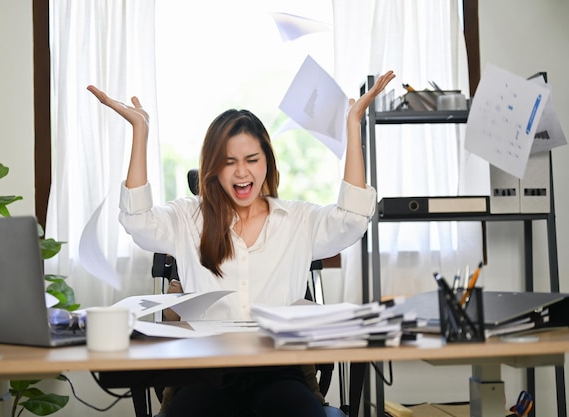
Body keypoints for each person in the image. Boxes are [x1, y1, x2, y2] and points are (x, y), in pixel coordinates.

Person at [87, 70, 395, 417]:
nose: (241, 173)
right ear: (212, 168)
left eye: (252, 160)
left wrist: (353, 125)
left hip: (280, 372)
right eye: (228, 162)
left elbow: (352, 220)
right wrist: (140, 133)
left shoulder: (298, 220)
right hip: (204, 372)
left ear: (267, 161)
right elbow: (137, 221)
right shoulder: (188, 218)